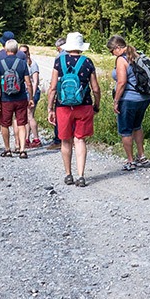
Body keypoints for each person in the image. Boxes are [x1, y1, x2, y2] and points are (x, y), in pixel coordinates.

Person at [46, 31, 100, 187]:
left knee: (65, 140)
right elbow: (95, 88)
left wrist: (50, 108)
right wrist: (97, 105)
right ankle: (81, 175)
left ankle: (68, 174)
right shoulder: (88, 62)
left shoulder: (59, 62)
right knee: (80, 139)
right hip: (84, 105)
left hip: (63, 107)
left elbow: (53, 88)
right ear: (81, 47)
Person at [107, 34, 150, 170]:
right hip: (144, 98)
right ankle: (141, 156)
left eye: (112, 51)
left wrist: (116, 101)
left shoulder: (121, 59)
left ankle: (130, 161)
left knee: (125, 130)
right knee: (137, 126)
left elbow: (121, 82)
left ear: (118, 48)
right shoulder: (137, 54)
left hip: (129, 99)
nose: (112, 54)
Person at [0, 39, 34, 157]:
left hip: (6, 99)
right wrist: (30, 97)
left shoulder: (1, 64)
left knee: (5, 124)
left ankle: (7, 149)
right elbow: (28, 83)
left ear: (6, 49)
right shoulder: (22, 63)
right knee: (21, 124)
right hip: (21, 97)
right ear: (17, 50)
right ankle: (22, 150)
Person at [44, 37, 66, 150]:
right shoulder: (82, 58)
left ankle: (58, 140)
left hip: (62, 91)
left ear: (59, 47)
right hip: (78, 93)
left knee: (60, 115)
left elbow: (53, 83)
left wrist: (49, 106)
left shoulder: (59, 58)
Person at [20, 44, 43, 148]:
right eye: (21, 52)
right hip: (23, 92)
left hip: (31, 92)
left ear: (28, 52)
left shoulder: (33, 64)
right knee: (26, 117)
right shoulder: (21, 63)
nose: (23, 54)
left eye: (25, 52)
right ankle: (27, 139)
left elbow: (35, 81)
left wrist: (32, 96)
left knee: (30, 116)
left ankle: (36, 138)